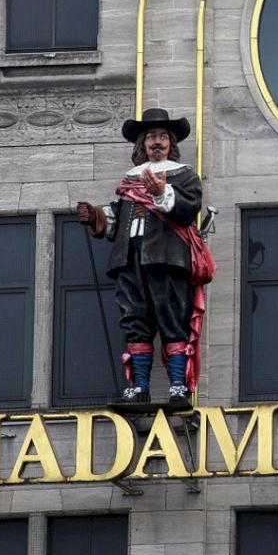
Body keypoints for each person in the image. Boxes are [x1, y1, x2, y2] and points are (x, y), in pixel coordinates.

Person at [75, 108, 213, 411]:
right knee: (135, 322)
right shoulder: (129, 181)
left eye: (163, 136)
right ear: (142, 144)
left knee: (173, 320)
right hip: (130, 261)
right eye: (151, 137)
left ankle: (179, 385)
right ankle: (139, 387)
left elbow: (188, 209)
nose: (157, 142)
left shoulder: (183, 175)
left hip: (165, 260)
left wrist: (163, 192)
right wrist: (96, 217)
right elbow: (118, 224)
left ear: (171, 142)